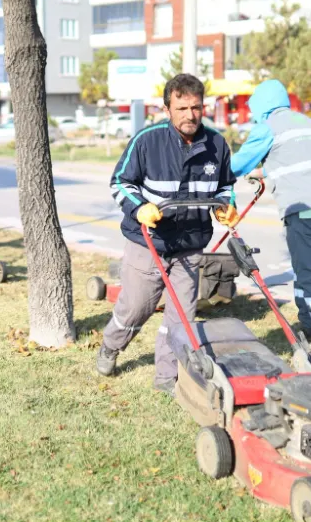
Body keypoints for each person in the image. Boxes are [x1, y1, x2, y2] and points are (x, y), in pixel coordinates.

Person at [97, 74, 238, 394]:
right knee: (136, 308)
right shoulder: (147, 141)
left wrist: (225, 206)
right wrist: (139, 207)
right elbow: (120, 182)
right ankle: (110, 345)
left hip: (190, 245)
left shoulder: (216, 144)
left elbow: (225, 187)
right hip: (149, 242)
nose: (190, 114)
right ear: (167, 109)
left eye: (197, 107)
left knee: (181, 318)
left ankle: (166, 378)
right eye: (182, 107)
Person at [230, 79, 311, 357]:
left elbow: (235, 165)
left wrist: (214, 170)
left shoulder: (266, 128)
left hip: (304, 211)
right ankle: (306, 327)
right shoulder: (306, 123)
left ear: (261, 106)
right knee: (304, 269)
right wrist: (265, 172)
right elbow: (296, 159)